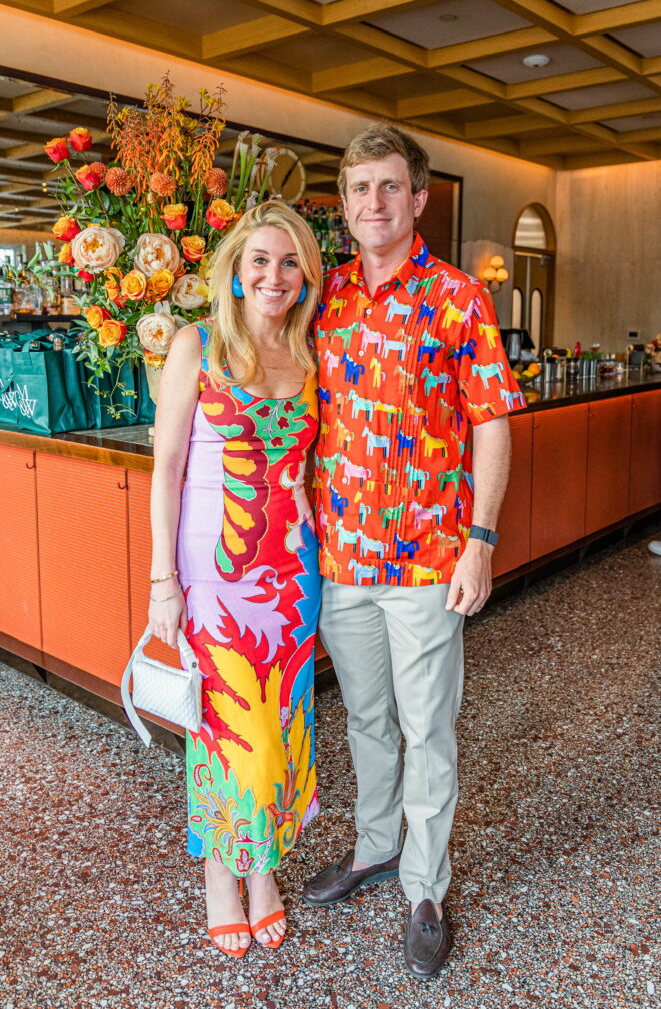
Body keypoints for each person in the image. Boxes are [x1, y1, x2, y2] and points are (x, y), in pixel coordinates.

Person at [303, 124, 523, 978]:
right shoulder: (326, 299)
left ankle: (424, 886)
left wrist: (481, 542)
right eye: (358, 189)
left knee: (427, 727)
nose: (371, 203)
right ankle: (372, 850)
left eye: (387, 187)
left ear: (417, 199)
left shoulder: (460, 298)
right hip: (340, 559)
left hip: (430, 557)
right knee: (363, 720)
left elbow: (491, 423)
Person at [149, 199, 322, 958]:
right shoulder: (197, 345)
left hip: (293, 572)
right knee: (229, 730)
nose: (274, 275)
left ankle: (264, 871)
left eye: (289, 262)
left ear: (306, 275)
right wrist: (163, 580)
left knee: (283, 726)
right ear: (235, 270)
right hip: (213, 571)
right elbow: (167, 469)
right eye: (259, 260)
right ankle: (225, 873)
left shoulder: (309, 350)